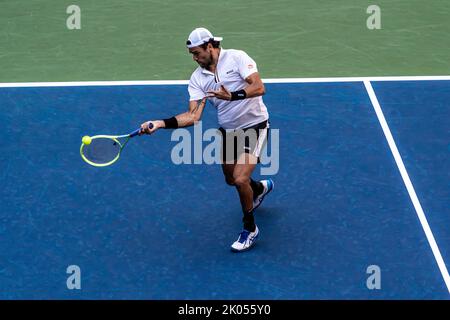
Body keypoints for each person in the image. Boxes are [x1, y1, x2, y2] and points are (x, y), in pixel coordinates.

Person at [139, 27, 274, 252]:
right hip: (229, 131)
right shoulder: (197, 79)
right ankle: (258, 189)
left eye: (197, 52)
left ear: (210, 46)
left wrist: (232, 95)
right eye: (191, 54)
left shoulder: (237, 57)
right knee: (231, 180)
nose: (195, 58)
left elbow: (259, 87)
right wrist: (161, 123)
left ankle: (250, 229)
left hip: (255, 126)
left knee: (240, 179)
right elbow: (193, 116)